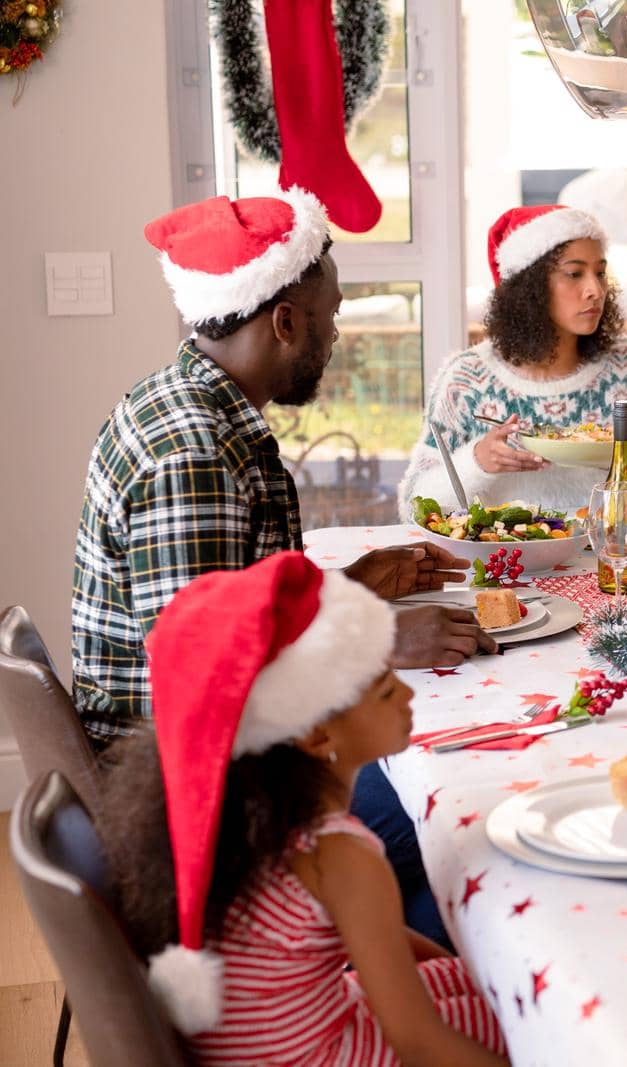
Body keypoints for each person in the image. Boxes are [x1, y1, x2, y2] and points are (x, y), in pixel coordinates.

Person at [72, 188, 478, 944]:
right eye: (329, 320)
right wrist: (383, 639)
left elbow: (234, 616)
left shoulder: (195, 404)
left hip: (215, 770)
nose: (335, 337)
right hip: (203, 809)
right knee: (453, 825)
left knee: (430, 788)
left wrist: (357, 583)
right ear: (285, 321)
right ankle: (436, 1000)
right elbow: (207, 690)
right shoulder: (193, 456)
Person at [99, 552, 507, 1065]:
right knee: (521, 1031)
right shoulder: (340, 858)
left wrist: (455, 970)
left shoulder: (256, 816)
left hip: (283, 1037)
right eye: (385, 689)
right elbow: (418, 1043)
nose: (407, 694)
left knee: (480, 988)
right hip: (319, 1055)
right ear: (316, 733)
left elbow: (389, 941)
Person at [398, 204, 627, 515]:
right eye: (574, 274)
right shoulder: (468, 378)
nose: (595, 290)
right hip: (506, 559)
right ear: (530, 287)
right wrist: (477, 462)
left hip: (607, 555)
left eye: (599, 273)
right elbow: (412, 507)